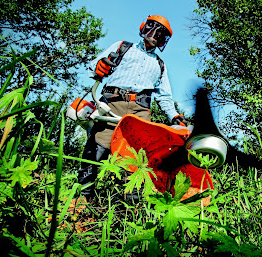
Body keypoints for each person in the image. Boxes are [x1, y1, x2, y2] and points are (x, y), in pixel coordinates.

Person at [78, 15, 187, 200]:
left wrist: (174, 116)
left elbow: (165, 96)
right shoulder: (123, 47)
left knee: (139, 158)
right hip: (113, 102)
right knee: (97, 148)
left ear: (163, 40)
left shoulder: (160, 65)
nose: (154, 36)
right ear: (144, 28)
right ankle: (81, 198)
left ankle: (131, 206)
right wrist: (100, 66)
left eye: (160, 35)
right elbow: (93, 66)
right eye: (152, 30)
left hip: (140, 110)